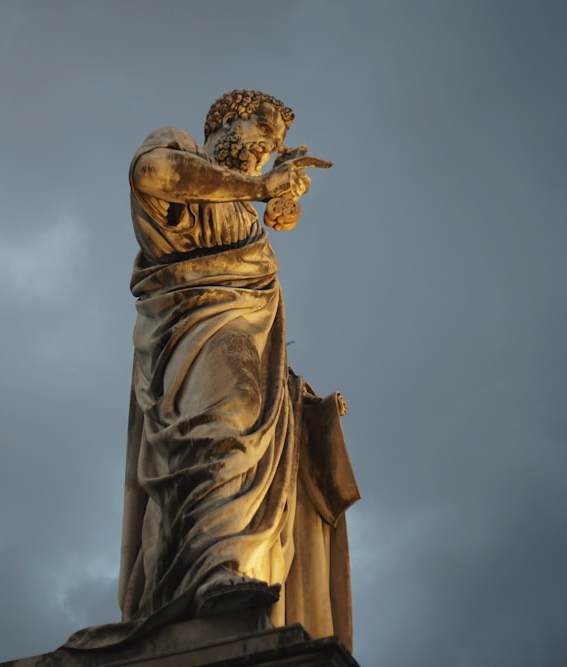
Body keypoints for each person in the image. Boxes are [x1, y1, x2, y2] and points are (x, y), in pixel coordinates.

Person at [65, 90, 359, 651]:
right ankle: (215, 571)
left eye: (273, 145)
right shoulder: (177, 147)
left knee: (243, 437)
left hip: (238, 352)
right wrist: (259, 187)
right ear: (226, 119)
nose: (265, 149)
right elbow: (152, 174)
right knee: (216, 435)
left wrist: (300, 402)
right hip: (189, 334)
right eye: (262, 131)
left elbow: (260, 342)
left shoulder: (244, 217)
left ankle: (227, 573)